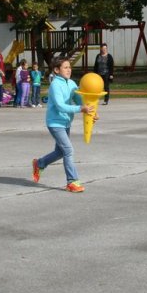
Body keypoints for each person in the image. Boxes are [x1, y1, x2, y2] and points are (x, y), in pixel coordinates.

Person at [31, 58, 95, 193]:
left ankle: (40, 163)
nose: (69, 70)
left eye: (69, 67)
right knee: (68, 150)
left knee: (60, 152)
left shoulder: (72, 83)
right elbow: (60, 106)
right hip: (55, 123)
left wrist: (91, 112)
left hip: (66, 123)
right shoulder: (55, 85)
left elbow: (80, 101)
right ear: (56, 70)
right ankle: (72, 182)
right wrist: (80, 109)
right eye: (65, 67)